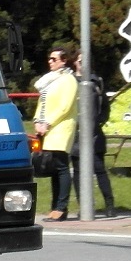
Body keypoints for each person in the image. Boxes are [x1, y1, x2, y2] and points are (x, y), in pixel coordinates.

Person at [33, 46, 78, 222]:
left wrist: (48, 123)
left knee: (61, 167)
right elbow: (42, 102)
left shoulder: (68, 80)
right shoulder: (50, 81)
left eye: (54, 59)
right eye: (49, 58)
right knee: (54, 169)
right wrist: (37, 120)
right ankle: (55, 207)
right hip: (47, 129)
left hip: (60, 128)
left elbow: (65, 107)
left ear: (64, 60)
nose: (50, 62)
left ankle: (61, 207)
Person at [70, 63, 117, 218]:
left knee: (100, 170)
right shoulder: (69, 82)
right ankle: (84, 206)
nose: (82, 64)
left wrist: (98, 122)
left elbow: (105, 108)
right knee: (77, 172)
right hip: (75, 134)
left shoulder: (97, 82)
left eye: (85, 60)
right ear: (74, 63)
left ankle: (110, 204)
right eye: (79, 60)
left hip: (94, 135)